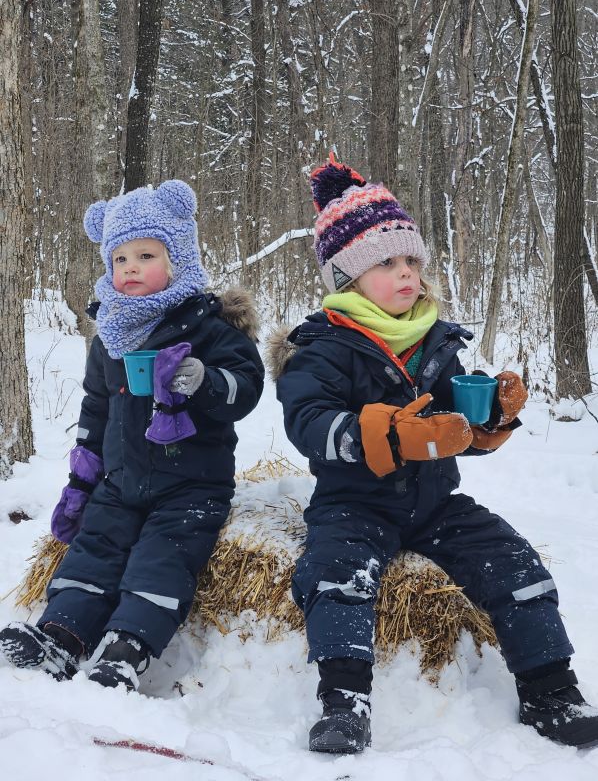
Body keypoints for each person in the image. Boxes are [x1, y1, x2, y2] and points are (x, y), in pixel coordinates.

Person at [269, 154, 598, 753]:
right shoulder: (322, 347)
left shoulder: (435, 341)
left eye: (411, 261)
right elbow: (309, 423)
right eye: (386, 263)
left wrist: (492, 413)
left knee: (514, 563)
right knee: (335, 577)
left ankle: (552, 689)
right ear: (348, 276)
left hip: (434, 501)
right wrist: (396, 434)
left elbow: (455, 423)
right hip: (353, 501)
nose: (406, 275)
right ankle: (345, 700)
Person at [0, 180, 264, 691]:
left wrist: (202, 380)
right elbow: (97, 407)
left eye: (146, 255)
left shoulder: (209, 328)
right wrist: (83, 477)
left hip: (191, 484)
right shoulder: (113, 336)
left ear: (179, 259)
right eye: (120, 259)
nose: (131, 268)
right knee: (94, 549)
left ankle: (127, 648)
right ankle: (63, 633)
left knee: (162, 559)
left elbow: (246, 388)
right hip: (121, 481)